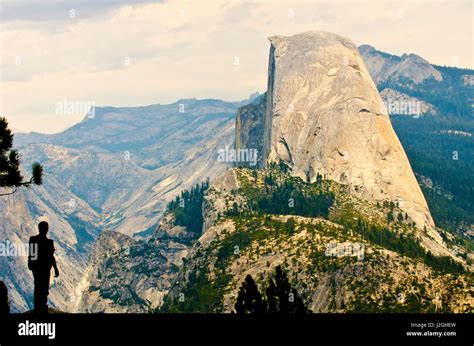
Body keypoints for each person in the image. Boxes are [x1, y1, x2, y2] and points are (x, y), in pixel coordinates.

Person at [28, 221, 59, 314]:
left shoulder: (35, 239)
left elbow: (33, 254)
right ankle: (40, 307)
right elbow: (50, 256)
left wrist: (55, 267)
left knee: (40, 287)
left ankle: (39, 307)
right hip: (43, 268)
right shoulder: (48, 242)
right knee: (42, 287)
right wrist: (55, 267)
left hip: (39, 268)